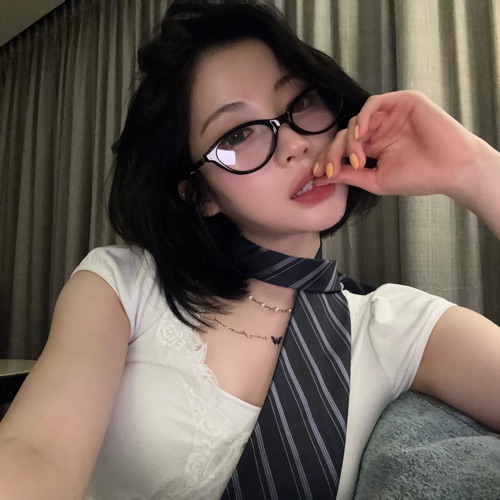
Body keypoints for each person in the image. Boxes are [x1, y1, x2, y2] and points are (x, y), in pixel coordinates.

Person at [0, 2, 499, 499]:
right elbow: (37, 452)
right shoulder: (122, 285)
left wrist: (473, 169)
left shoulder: (399, 325)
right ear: (201, 195)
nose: (294, 145)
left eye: (301, 100)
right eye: (237, 133)